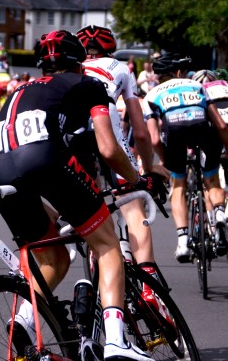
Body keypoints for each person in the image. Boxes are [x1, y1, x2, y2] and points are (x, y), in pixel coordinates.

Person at [0, 30, 156, 361]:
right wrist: (138, 179)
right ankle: (118, 344)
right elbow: (108, 148)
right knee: (106, 245)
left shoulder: (19, 89)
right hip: (43, 157)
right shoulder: (87, 84)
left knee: (55, 256)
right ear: (80, 63)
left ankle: (23, 321)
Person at [76, 25, 168, 311]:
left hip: (75, 141)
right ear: (110, 48)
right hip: (110, 134)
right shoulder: (121, 68)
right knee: (133, 208)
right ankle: (150, 287)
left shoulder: (71, 67)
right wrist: (148, 171)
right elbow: (140, 132)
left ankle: (101, 273)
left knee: (90, 218)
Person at [143, 53, 228, 262]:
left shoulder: (151, 94)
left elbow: (155, 139)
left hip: (174, 132)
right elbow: (221, 125)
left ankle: (183, 241)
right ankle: (219, 213)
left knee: (179, 186)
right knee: (211, 180)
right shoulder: (198, 86)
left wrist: (165, 161)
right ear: (178, 72)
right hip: (203, 129)